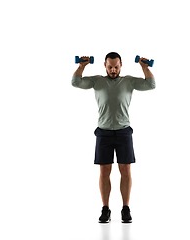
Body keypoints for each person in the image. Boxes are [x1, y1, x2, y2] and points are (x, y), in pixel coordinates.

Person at [72, 52, 156, 223]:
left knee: (125, 171)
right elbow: (76, 82)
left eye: (116, 67)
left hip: (124, 131)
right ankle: (105, 209)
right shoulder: (97, 81)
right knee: (104, 172)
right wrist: (81, 66)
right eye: (110, 67)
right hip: (103, 132)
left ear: (121, 65)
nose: (113, 70)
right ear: (104, 65)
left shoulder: (129, 81)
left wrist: (144, 67)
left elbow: (151, 84)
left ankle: (125, 209)